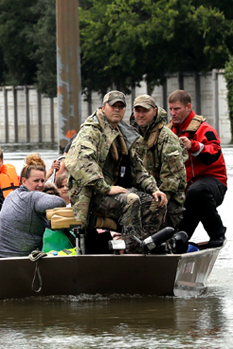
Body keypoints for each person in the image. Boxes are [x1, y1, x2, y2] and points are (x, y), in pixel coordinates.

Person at [66, 90, 168, 254]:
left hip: (113, 192)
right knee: (131, 200)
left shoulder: (122, 133)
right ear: (103, 107)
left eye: (121, 107)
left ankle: (146, 246)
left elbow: (138, 169)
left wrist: (154, 189)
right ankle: (132, 251)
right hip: (92, 194)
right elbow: (80, 162)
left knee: (157, 202)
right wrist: (105, 188)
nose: (117, 110)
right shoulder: (91, 131)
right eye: (113, 106)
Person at [169, 90, 227, 247]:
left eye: (177, 109)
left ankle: (217, 234)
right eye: (171, 109)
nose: (173, 113)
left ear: (188, 107)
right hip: (187, 191)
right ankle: (178, 245)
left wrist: (193, 146)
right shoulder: (169, 131)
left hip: (213, 184)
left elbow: (214, 153)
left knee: (197, 192)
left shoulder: (205, 129)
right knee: (176, 237)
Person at [129, 94, 187, 230]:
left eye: (145, 111)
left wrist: (157, 206)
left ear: (155, 111)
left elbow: (171, 180)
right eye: (138, 111)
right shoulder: (132, 136)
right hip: (140, 197)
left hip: (167, 202)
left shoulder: (167, 138)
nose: (141, 115)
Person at [0, 155, 66, 257]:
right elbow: (60, 202)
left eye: (42, 181)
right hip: (19, 258)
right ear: (24, 181)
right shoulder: (32, 197)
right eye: (36, 181)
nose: (41, 185)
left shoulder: (12, 194)